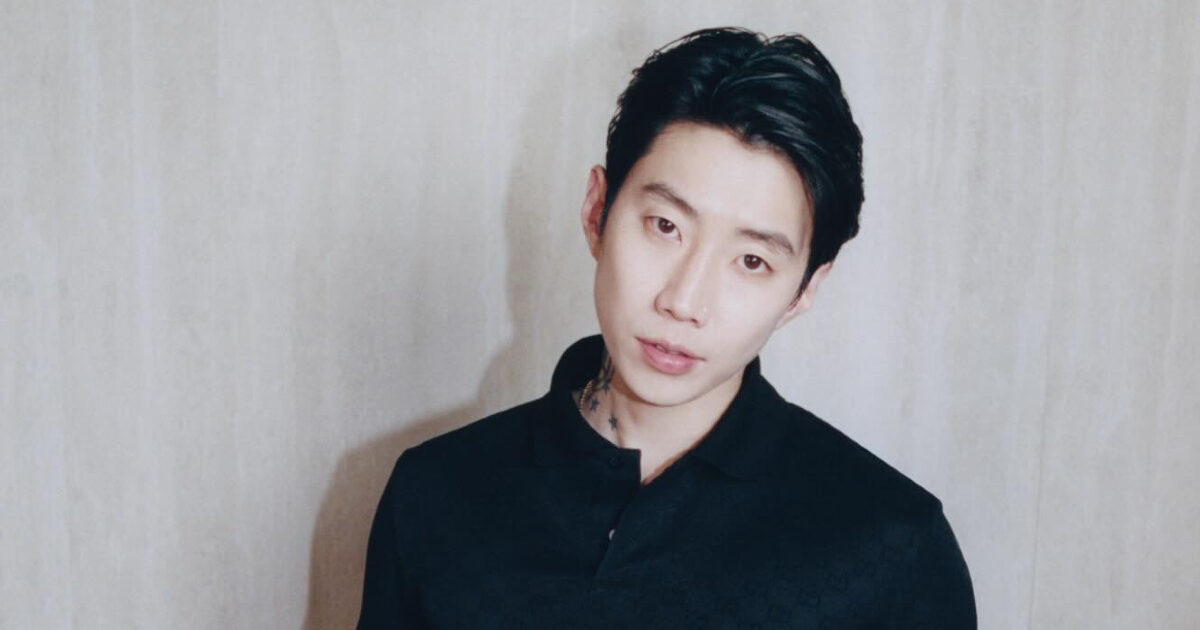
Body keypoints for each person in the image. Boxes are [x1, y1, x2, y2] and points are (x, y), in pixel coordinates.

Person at [357, 27, 976, 628]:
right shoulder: (436, 493)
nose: (684, 301)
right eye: (665, 227)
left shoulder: (894, 549)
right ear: (597, 211)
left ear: (804, 290)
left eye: (751, 261)